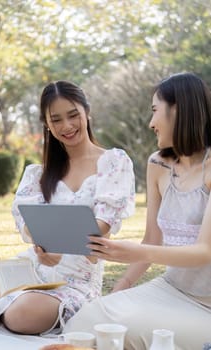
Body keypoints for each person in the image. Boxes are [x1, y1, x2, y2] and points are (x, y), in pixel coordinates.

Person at [63, 72, 211, 350]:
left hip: (207, 306)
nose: (151, 123)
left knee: (130, 336)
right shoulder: (158, 164)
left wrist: (135, 252)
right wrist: (123, 284)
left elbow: (205, 251)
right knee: (85, 322)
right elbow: (152, 238)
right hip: (171, 289)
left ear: (177, 110)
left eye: (155, 111)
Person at [0, 80, 135, 335]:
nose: (67, 126)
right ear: (47, 125)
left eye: (73, 115)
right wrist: (40, 246)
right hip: (32, 268)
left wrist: (61, 242)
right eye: (56, 120)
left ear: (87, 112)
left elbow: (102, 225)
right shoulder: (39, 173)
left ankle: (11, 309)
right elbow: (27, 222)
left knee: (21, 315)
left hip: (78, 279)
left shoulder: (114, 162)